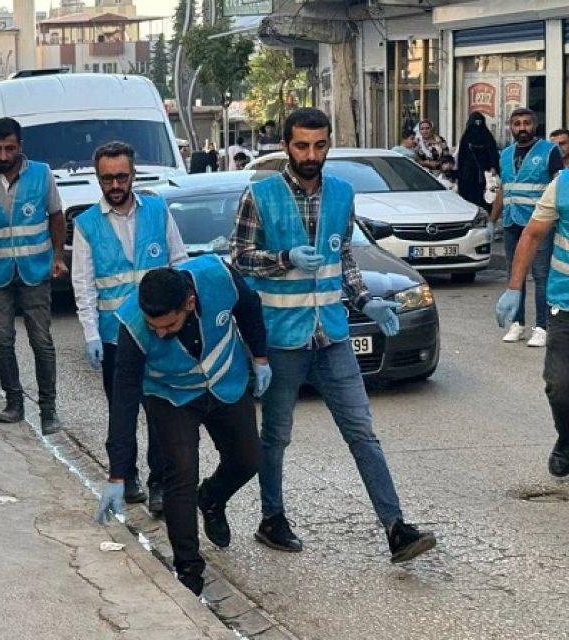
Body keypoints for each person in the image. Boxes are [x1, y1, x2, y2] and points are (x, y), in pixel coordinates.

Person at [230, 108, 437, 564]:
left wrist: (366, 301)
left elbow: (342, 258)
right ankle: (272, 518)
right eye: (302, 145)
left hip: (331, 335)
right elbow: (240, 257)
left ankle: (396, 528)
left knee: (363, 433)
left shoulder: (342, 193)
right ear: (285, 145)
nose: (311, 155)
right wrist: (283, 257)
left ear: (328, 145)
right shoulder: (259, 195)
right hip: (283, 339)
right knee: (277, 435)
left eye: (319, 146)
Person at [95, 256, 268, 596]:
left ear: (189, 302)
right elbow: (124, 401)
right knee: (180, 475)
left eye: (168, 326)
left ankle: (213, 498)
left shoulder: (219, 277)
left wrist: (260, 357)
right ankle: (189, 570)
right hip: (170, 396)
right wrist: (117, 472)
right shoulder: (132, 324)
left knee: (249, 459)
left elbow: (249, 308)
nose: (159, 332)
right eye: (154, 325)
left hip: (225, 381)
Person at [72, 141, 188, 514]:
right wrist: (91, 334)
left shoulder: (157, 210)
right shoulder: (87, 224)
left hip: (160, 333)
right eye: (107, 178)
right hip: (115, 337)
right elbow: (83, 284)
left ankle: (158, 484)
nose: (116, 184)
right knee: (122, 411)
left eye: (122, 176)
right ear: (98, 179)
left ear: (133, 174)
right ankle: (127, 475)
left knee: (159, 410)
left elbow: (179, 261)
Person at [0, 117, 68, 435]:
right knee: (3, 340)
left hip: (35, 270)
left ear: (20, 147)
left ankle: (48, 409)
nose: (3, 155)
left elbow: (56, 216)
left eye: (9, 148)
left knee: (41, 340)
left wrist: (58, 257)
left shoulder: (41, 174)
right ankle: (14, 401)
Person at [497, 162, 569, 478]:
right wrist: (514, 288)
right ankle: (567, 439)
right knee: (558, 384)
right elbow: (531, 235)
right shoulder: (563, 185)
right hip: (565, 304)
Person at [492, 108, 563, 347]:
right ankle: (517, 323)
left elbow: (559, 186)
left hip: (538, 223)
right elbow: (503, 188)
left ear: (535, 125)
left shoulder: (549, 151)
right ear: (510, 127)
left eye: (526, 123)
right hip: (512, 221)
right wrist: (493, 220)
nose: (522, 128)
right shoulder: (505, 154)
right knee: (515, 274)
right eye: (517, 124)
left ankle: (542, 327)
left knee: (541, 275)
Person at [455, 111, 501, 210]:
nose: (477, 127)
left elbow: (493, 153)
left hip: (484, 175)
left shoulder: (484, 137)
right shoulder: (468, 137)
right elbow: (462, 158)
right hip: (470, 175)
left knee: (486, 197)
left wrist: (493, 167)